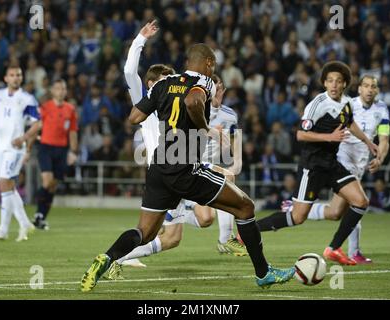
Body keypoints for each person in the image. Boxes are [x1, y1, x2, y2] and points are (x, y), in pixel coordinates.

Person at [80, 42, 295, 292]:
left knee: (145, 232)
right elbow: (194, 102)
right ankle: (263, 273)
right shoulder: (205, 82)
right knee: (245, 206)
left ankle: (106, 259)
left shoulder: (162, 84)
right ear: (208, 64)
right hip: (186, 169)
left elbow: (134, 117)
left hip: (159, 167)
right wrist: (206, 130)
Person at [106, 22, 245, 274]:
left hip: (182, 163)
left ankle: (117, 258)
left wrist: (212, 109)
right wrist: (140, 39)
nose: (171, 83)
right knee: (225, 180)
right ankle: (226, 239)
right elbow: (129, 71)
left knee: (193, 226)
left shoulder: (173, 97)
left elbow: (195, 116)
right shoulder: (144, 98)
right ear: (151, 84)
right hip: (166, 167)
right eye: (164, 80)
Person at [255, 61, 379, 266]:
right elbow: (301, 134)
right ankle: (250, 230)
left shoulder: (346, 103)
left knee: (360, 201)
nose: (334, 85)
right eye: (330, 81)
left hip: (332, 164)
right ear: (324, 83)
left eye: (338, 81)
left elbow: (349, 123)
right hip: (311, 166)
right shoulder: (317, 104)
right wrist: (329, 137)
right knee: (297, 217)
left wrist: (367, 141)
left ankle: (333, 248)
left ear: (345, 84)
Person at [304, 75, 390, 263]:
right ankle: (350, 251)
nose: (369, 89)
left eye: (373, 87)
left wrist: (380, 157)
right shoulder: (348, 104)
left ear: (377, 90)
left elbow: (384, 139)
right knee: (358, 203)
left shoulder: (382, 109)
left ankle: (297, 209)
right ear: (359, 88)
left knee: (336, 212)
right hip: (343, 159)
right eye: (365, 86)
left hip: (360, 162)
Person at [0, 65, 41, 242]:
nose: (16, 78)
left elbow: (37, 124)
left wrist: (24, 138)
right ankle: (25, 223)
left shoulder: (27, 99)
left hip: (15, 147)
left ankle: (3, 229)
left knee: (5, 183)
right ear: (6, 78)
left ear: (21, 77)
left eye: (18, 75)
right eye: (12, 75)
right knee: (7, 186)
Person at [32, 79, 79, 230]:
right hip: (45, 147)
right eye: (58, 88)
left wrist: (73, 151)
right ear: (52, 91)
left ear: (65, 91)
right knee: (47, 181)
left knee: (53, 186)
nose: (60, 91)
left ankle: (41, 217)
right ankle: (38, 212)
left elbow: (72, 132)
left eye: (63, 89)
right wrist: (28, 148)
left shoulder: (70, 109)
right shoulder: (45, 108)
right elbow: (36, 128)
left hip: (62, 150)